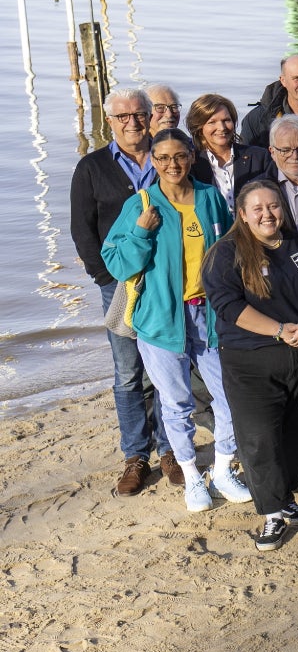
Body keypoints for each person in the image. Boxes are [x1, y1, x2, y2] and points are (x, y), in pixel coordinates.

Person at [100, 128, 241, 512]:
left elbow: (229, 250)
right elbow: (114, 260)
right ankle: (192, 476)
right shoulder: (143, 204)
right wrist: (142, 234)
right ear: (155, 162)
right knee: (176, 403)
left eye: (179, 156)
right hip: (162, 320)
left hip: (208, 317)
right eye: (162, 158)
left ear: (192, 155)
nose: (172, 165)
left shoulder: (211, 198)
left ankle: (225, 470)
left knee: (230, 396)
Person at [204, 180, 298, 552]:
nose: (268, 214)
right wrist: (280, 330)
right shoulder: (226, 253)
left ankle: (285, 498)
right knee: (260, 438)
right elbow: (227, 305)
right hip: (250, 362)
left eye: (274, 206)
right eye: (258, 208)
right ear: (243, 215)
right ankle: (272, 515)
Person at [188, 93, 272, 210]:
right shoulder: (191, 163)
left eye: (226, 120)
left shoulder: (259, 157)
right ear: (199, 127)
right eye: (212, 122)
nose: (222, 127)